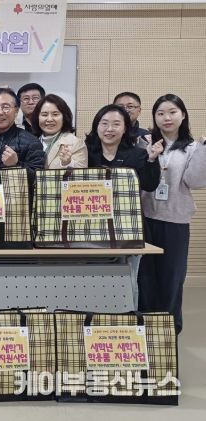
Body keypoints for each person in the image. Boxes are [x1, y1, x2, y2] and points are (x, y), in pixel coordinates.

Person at [138, 94, 206, 334]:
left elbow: (195, 181)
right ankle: (145, 329)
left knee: (172, 279)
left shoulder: (193, 147)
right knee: (145, 279)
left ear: (183, 115)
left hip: (175, 222)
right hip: (145, 219)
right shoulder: (144, 143)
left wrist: (204, 151)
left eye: (172, 112)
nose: (166, 118)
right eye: (160, 113)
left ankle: (168, 332)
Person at [85, 104, 160, 192]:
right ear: (96, 127)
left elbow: (149, 186)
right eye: (104, 123)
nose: (109, 129)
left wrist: (151, 160)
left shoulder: (137, 155)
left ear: (125, 128)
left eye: (116, 124)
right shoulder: (86, 153)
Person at [0, 87, 45, 171]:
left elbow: (38, 175)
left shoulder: (32, 142)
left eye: (6, 107)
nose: (0, 112)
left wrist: (16, 164)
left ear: (16, 111)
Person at [30, 94, 87, 169]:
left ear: (64, 117)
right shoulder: (30, 142)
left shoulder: (75, 143)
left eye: (55, 114)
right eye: (44, 115)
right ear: (37, 118)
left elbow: (81, 173)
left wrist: (68, 163)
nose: (49, 119)